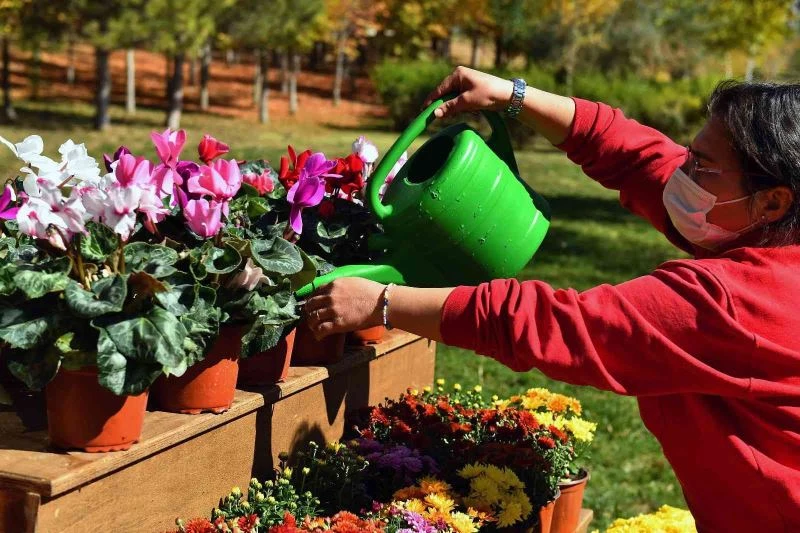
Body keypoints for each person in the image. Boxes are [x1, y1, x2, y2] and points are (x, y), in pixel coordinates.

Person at [301, 66, 800, 531]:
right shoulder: (767, 234)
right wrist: (514, 96)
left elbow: (559, 325)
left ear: (774, 200)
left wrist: (384, 302)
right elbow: (638, 158)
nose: (684, 172)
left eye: (702, 165)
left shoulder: (740, 303)